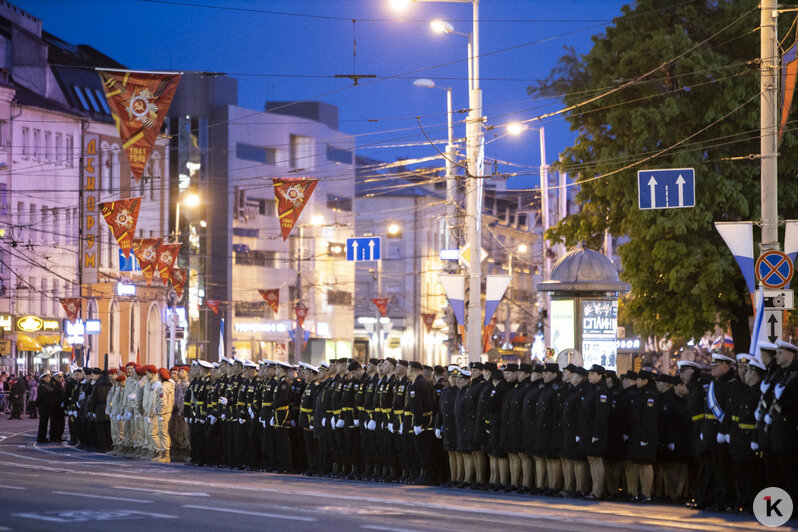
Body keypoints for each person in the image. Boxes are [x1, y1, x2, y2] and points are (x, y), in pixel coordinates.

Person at [35, 371, 55, 443]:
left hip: (46, 407)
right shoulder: (43, 386)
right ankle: (41, 438)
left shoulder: (46, 385)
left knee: (44, 423)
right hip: (44, 407)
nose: (50, 378)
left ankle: (43, 437)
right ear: (45, 377)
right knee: (43, 423)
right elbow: (40, 397)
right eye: (48, 376)